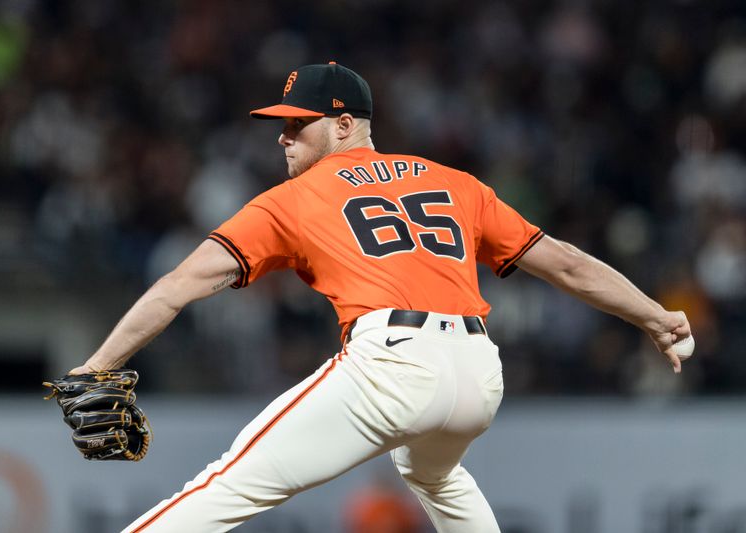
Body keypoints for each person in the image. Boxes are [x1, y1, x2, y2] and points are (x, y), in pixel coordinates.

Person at [69, 62, 692, 532]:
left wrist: (99, 365)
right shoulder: (454, 182)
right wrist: (656, 316)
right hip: (478, 375)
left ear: (343, 125)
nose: (282, 139)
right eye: (279, 127)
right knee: (430, 472)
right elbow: (566, 264)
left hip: (392, 363)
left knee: (228, 483)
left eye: (295, 125)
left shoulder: (294, 199)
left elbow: (180, 284)